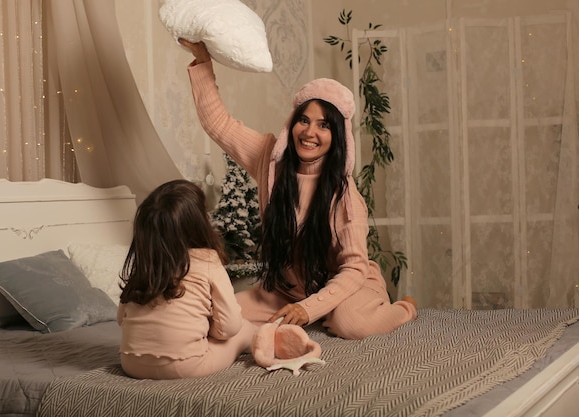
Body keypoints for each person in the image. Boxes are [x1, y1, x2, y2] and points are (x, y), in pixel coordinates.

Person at [181, 39, 417, 340]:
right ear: (292, 123)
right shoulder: (270, 159)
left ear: (338, 136)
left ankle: (405, 307)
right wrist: (202, 61)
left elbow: (355, 269)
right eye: (303, 121)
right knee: (221, 316)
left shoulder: (346, 197)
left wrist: (308, 310)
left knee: (349, 324)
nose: (309, 132)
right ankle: (317, 309)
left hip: (349, 286)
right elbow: (218, 124)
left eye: (323, 126)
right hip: (289, 289)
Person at [117, 179, 255, 379]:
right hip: (186, 366)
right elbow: (229, 327)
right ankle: (267, 339)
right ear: (198, 224)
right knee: (243, 329)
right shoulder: (207, 259)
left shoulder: (145, 263)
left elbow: (121, 320)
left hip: (131, 364)